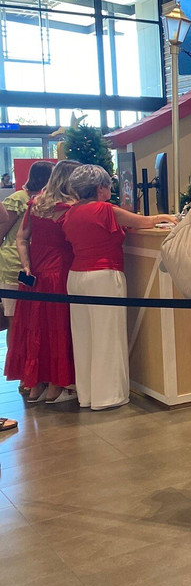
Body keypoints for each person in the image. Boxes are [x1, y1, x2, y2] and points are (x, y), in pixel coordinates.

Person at [61, 165, 176, 410]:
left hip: (76, 276)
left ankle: (88, 395)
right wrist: (164, 217)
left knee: (84, 337)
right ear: (99, 187)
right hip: (103, 275)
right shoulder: (105, 210)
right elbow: (145, 221)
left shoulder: (71, 212)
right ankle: (108, 396)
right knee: (108, 335)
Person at [5, 161, 78, 404]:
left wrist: (27, 265)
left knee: (34, 328)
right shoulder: (71, 208)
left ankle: (36, 384)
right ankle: (57, 384)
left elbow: (21, 238)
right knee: (58, 329)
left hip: (34, 273)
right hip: (60, 272)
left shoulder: (35, 204)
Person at [0, 165, 45, 328]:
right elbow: (2, 229)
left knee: (32, 319)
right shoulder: (18, 198)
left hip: (35, 263)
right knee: (14, 319)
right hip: (13, 263)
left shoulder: (45, 201)